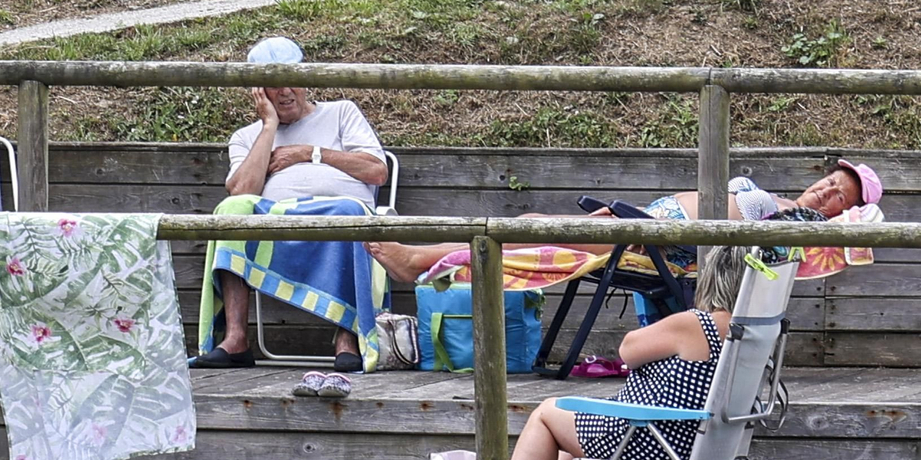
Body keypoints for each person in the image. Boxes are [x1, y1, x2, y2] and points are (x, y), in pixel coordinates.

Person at [483, 242, 748, 460]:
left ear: (714, 278)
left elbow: (628, 350)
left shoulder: (697, 324)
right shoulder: (755, 331)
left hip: (654, 439)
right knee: (577, 444)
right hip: (708, 442)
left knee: (547, 413)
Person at [192, 37, 389, 371]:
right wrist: (268, 127)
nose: (285, 92)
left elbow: (377, 171)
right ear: (257, 91)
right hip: (275, 228)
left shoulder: (341, 112)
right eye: (273, 85)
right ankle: (236, 338)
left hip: (338, 216)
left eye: (291, 80)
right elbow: (240, 192)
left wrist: (309, 153)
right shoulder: (246, 137)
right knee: (229, 212)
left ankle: (348, 337)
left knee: (349, 212)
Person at [367, 161, 881, 283]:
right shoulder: (769, 195)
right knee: (529, 219)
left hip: (661, 248)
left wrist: (849, 215)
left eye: (841, 195)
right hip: (643, 226)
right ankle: (426, 252)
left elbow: (864, 226)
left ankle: (417, 260)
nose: (829, 190)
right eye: (832, 179)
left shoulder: (797, 221)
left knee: (530, 233)